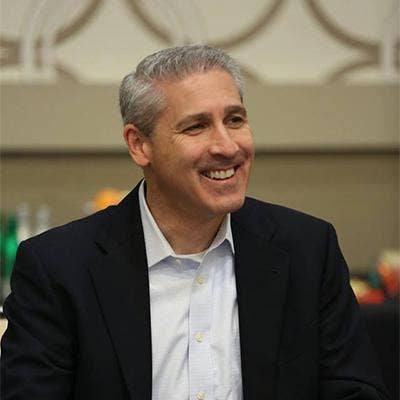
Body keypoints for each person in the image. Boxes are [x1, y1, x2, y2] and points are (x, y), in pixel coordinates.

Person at [1, 45, 390, 400]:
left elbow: (355, 392)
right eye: (196, 127)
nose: (227, 146)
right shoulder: (59, 268)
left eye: (234, 120)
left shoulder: (307, 250)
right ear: (139, 144)